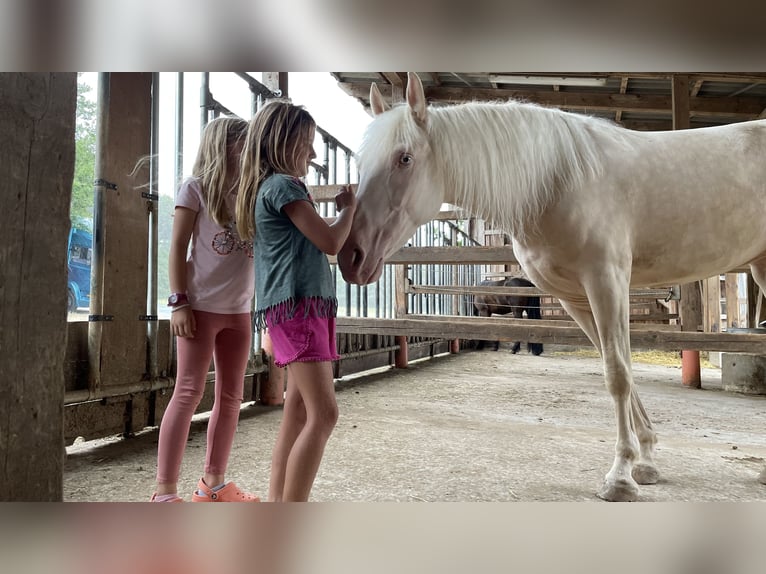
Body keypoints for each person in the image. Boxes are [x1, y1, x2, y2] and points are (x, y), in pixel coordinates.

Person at [236, 100, 357, 502]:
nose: (314, 153)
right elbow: (330, 241)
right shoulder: (283, 187)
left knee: (298, 413)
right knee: (325, 414)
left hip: (300, 309)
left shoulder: (270, 188)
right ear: (284, 142)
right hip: (300, 309)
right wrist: (349, 211)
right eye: (307, 143)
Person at [151, 116, 259, 502]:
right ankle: (164, 492)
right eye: (243, 141)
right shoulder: (194, 188)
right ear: (224, 144)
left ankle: (212, 485)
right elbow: (177, 246)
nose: (249, 149)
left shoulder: (252, 191)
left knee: (231, 396)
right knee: (188, 392)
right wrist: (178, 301)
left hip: (239, 311)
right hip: (198, 308)